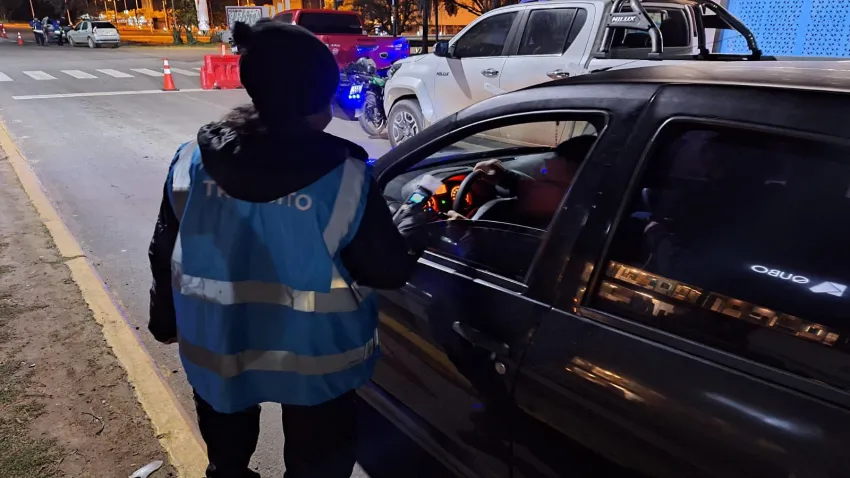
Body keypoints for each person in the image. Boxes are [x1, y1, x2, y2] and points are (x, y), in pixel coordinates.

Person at [147, 19, 429, 478]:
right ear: (317, 96)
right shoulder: (347, 178)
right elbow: (387, 269)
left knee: (226, 463)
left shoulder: (191, 160)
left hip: (219, 345)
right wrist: (416, 222)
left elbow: (164, 249)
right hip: (316, 362)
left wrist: (164, 319)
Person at [448, 135, 596, 228]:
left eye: (546, 181)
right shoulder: (569, 208)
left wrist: (466, 233)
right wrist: (505, 177)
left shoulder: (554, 235)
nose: (546, 162)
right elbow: (533, 191)